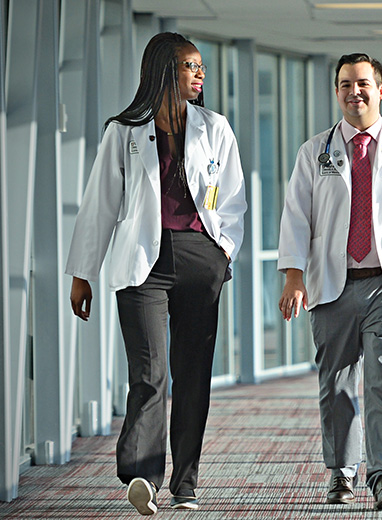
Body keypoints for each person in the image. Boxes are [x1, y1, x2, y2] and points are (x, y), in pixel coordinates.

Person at [65, 32, 246, 515]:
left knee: (193, 374)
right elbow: (100, 205)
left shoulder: (216, 128)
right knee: (150, 373)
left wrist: (222, 252)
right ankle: (143, 475)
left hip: (199, 257)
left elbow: (231, 201)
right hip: (142, 262)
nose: (200, 74)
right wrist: (82, 272)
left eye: (201, 66)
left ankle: (185, 482)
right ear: (165, 70)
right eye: (191, 66)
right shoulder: (125, 131)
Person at [277, 53, 382, 510]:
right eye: (346, 84)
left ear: (381, 89)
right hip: (331, 285)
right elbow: (296, 217)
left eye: (364, 83)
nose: (356, 92)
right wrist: (294, 276)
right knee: (337, 382)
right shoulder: (315, 152)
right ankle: (342, 471)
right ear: (337, 92)